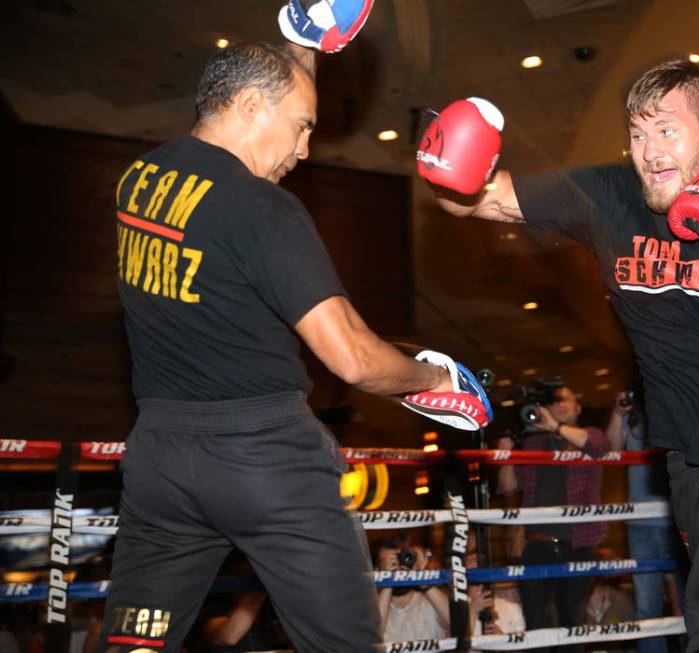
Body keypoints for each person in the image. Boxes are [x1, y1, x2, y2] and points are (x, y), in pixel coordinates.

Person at [421, 60, 699, 651]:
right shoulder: (608, 196)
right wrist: (447, 166)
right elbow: (480, 201)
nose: (650, 151)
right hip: (689, 463)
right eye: (638, 133)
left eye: (668, 130)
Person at [101, 38, 485, 652]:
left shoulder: (138, 181)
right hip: (264, 461)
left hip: (160, 464)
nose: (303, 151)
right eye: (302, 128)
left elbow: (268, 82)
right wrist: (434, 381)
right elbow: (353, 357)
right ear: (251, 105)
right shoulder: (263, 208)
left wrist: (301, 43)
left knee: (134, 644)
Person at [497, 384, 610, 652]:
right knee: (537, 622)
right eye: (554, 402)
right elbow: (509, 487)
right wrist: (505, 456)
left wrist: (555, 428)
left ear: (578, 408)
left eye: (565, 400)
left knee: (573, 622)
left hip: (579, 544)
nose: (559, 406)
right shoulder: (532, 442)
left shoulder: (589, 435)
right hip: (537, 544)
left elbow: (599, 446)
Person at [605, 391, 685, 653]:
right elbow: (613, 450)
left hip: (679, 516)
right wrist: (618, 413)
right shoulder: (635, 413)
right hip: (641, 520)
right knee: (647, 603)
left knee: (690, 598)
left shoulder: (678, 403)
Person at [375, 540, 450, 644]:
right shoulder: (371, 607)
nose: (398, 565)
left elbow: (456, 622)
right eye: (389, 560)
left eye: (401, 558)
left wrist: (422, 579)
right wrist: (387, 580)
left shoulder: (431, 602)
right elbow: (371, 636)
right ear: (377, 570)